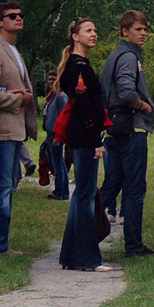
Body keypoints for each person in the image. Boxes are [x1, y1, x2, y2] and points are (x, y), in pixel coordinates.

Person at [98, 10, 154, 258]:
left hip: (114, 129)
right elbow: (125, 91)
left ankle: (80, 232)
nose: (143, 33)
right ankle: (134, 246)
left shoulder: (114, 56)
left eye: (145, 29)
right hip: (131, 130)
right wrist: (143, 106)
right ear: (125, 31)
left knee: (111, 185)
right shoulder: (127, 57)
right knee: (134, 189)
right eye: (138, 29)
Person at [0, 0, 37, 254]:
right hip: (0, 130)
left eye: (20, 14)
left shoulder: (12, 49)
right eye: (12, 15)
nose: (18, 18)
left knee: (8, 186)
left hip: (14, 130)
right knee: (1, 188)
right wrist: (18, 98)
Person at [56, 18, 114, 272]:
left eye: (95, 29)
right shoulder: (78, 67)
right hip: (85, 137)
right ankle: (88, 258)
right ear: (75, 36)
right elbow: (83, 107)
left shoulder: (79, 64)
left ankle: (70, 254)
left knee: (82, 194)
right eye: (88, 30)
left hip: (83, 136)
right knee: (86, 195)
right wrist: (96, 142)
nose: (94, 34)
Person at [42, 72, 70, 201]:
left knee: (58, 163)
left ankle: (60, 191)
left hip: (56, 134)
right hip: (50, 132)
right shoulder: (51, 97)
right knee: (58, 162)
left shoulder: (61, 97)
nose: (51, 81)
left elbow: (64, 116)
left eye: (53, 79)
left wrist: (59, 135)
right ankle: (62, 190)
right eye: (49, 79)